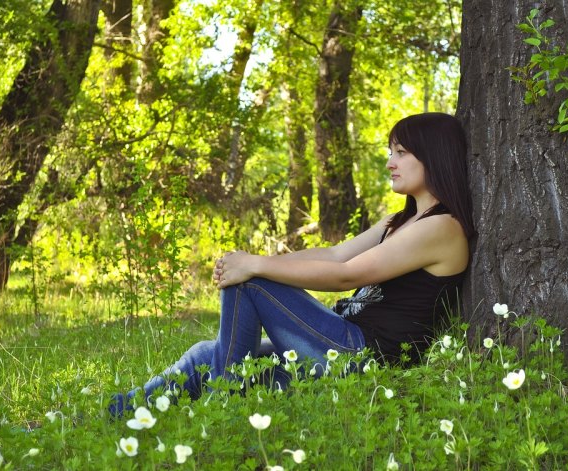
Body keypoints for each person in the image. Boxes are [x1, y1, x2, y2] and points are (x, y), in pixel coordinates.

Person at [110, 112, 475, 416]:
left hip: (363, 360)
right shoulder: (401, 221)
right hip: (339, 339)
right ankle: (117, 413)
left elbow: (346, 274)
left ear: (433, 155)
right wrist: (256, 260)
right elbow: (335, 254)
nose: (389, 162)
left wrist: (253, 267)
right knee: (207, 353)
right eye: (389, 151)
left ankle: (224, 406)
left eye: (400, 152)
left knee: (253, 283)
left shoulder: (442, 227)